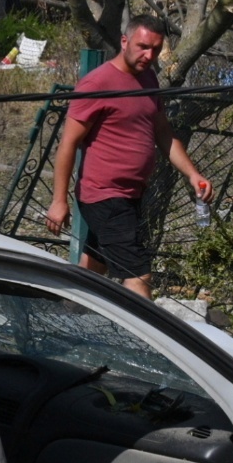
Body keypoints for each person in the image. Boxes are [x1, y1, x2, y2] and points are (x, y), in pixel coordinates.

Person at [45, 17, 213, 299]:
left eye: (156, 50)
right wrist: (59, 201)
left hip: (132, 193)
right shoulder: (97, 84)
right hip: (104, 195)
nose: (149, 56)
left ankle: (66, 314)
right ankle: (149, 341)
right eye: (143, 47)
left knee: (94, 265)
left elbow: (164, 134)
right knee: (138, 274)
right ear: (125, 42)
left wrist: (192, 174)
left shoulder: (148, 79)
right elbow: (68, 144)